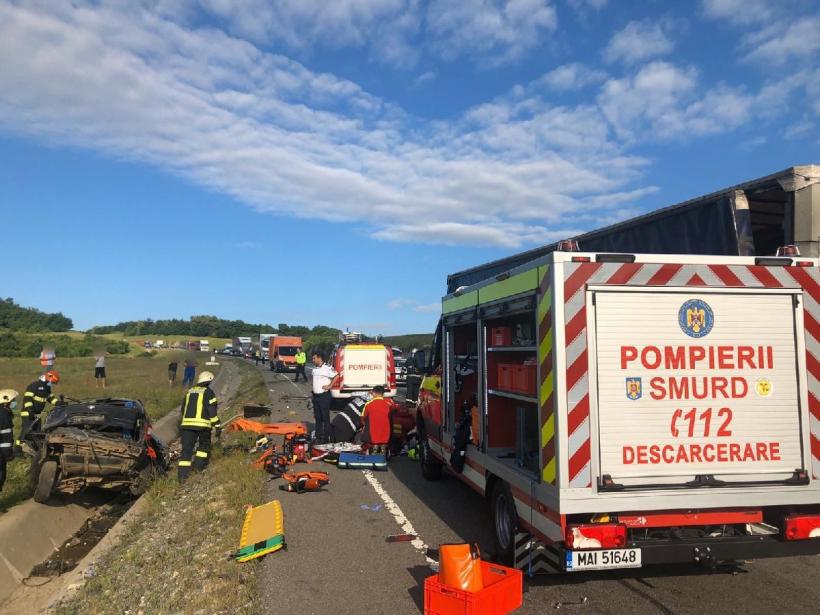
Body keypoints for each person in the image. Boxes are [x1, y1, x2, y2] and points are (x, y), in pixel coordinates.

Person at [178, 371, 220, 482]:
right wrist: (217, 425)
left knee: (186, 450)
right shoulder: (208, 392)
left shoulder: (189, 391)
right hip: (202, 426)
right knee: (203, 447)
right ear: (208, 381)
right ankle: (198, 469)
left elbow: (183, 410)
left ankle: (182, 477)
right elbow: (212, 411)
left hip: (187, 426)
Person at [16, 371, 60, 449]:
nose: (51, 384)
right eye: (51, 382)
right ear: (48, 377)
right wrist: (30, 410)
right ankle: (18, 449)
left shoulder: (46, 388)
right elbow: (27, 399)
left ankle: (33, 448)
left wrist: (59, 403)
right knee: (26, 432)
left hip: (37, 414)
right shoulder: (34, 386)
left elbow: (51, 399)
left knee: (36, 433)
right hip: (28, 413)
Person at [310, 352, 337, 443]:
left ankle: (326, 437)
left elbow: (337, 375)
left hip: (324, 396)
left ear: (319, 358)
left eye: (314, 358)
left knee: (325, 417)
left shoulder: (327, 368)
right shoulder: (314, 369)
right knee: (317, 417)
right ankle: (318, 436)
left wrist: (330, 385)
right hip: (315, 396)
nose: (313, 360)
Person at [362, 385, 394, 456]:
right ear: (383, 394)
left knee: (366, 426)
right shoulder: (389, 404)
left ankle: (374, 450)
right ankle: (383, 451)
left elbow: (363, 419)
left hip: (372, 437)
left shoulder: (368, 404)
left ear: (373, 393)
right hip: (386, 436)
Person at [0, 389, 17, 492]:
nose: (14, 402)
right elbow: (6, 437)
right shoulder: (4, 415)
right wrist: (8, 454)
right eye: (13, 400)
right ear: (6, 402)